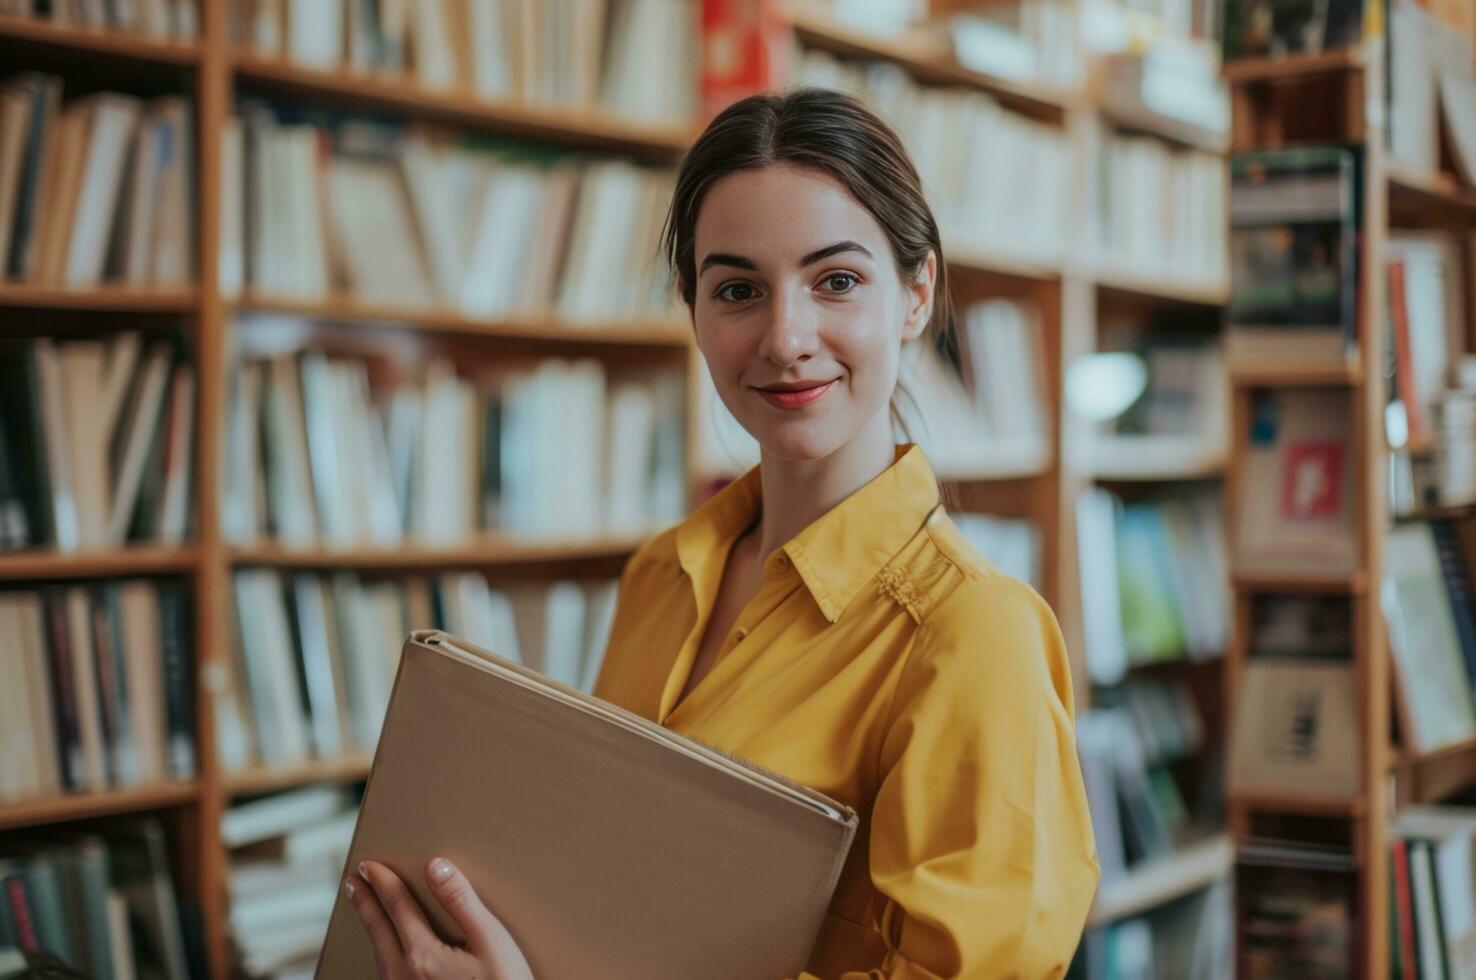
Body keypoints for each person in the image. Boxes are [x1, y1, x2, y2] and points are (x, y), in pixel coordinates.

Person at [344, 87, 1100, 979]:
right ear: (692, 308)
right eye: (738, 289)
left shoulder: (978, 635)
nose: (785, 338)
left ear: (916, 294)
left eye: (838, 281)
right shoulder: (661, 573)